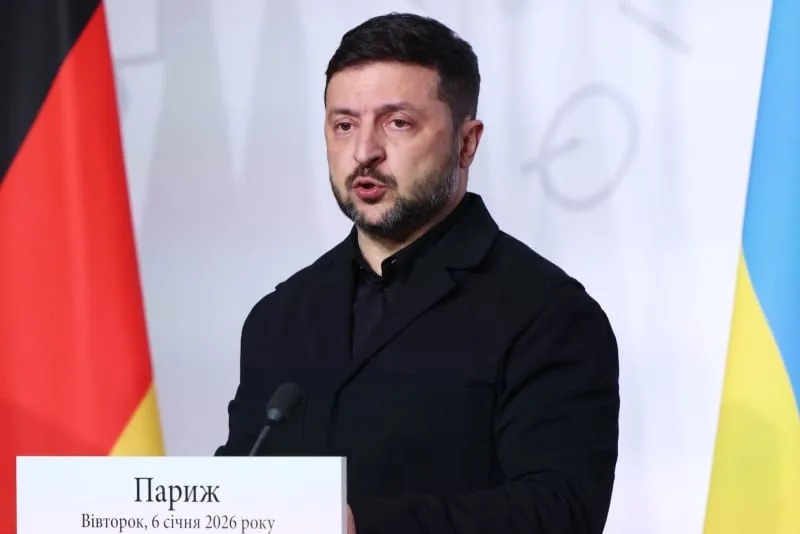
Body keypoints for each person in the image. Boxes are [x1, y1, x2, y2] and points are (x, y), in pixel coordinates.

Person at [216, 12, 620, 533]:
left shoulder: (549, 314)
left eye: (397, 122)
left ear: (467, 142)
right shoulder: (280, 316)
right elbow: (243, 483)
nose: (364, 152)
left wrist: (361, 527)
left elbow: (560, 510)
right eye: (344, 125)